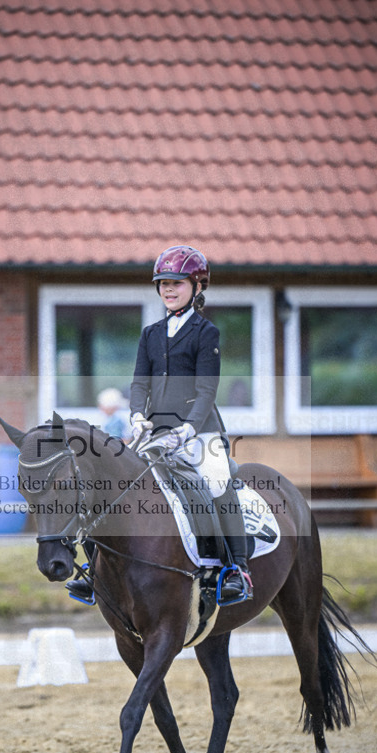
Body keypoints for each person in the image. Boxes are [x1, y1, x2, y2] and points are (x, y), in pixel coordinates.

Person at [67, 244, 253, 606]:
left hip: (200, 431)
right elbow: (140, 383)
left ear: (197, 286)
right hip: (154, 431)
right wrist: (137, 415)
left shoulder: (206, 333)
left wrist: (188, 429)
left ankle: (236, 569)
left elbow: (206, 390)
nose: (168, 289)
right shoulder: (150, 333)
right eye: (163, 283)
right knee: (108, 482)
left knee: (217, 481)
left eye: (176, 283)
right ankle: (93, 569)